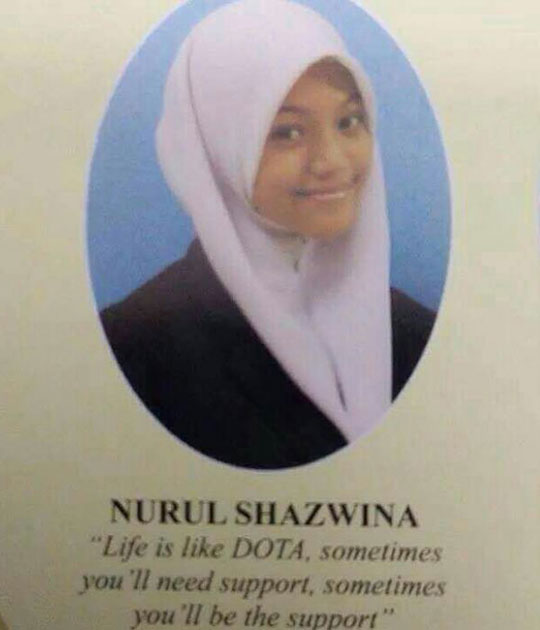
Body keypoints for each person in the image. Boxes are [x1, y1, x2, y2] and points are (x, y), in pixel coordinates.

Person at [100, 0, 434, 469]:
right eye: (288, 132)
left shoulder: (419, 336)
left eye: (348, 122)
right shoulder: (134, 348)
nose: (332, 161)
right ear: (217, 145)